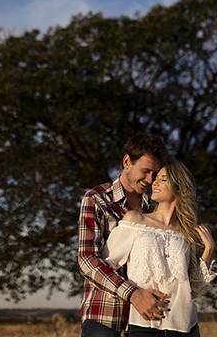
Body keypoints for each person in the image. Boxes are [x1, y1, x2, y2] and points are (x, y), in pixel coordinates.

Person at [103, 160, 217, 337]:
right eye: (156, 178)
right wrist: (134, 294)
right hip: (144, 326)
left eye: (163, 179)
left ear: (179, 186)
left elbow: (192, 289)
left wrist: (208, 250)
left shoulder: (186, 233)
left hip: (186, 327)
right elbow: (105, 267)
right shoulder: (135, 220)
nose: (154, 182)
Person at [78, 133, 173, 337]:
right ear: (127, 161)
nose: (150, 180)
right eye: (146, 171)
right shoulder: (97, 199)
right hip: (105, 316)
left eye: (155, 174)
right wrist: (134, 293)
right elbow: (87, 259)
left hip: (147, 323)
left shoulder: (155, 207)